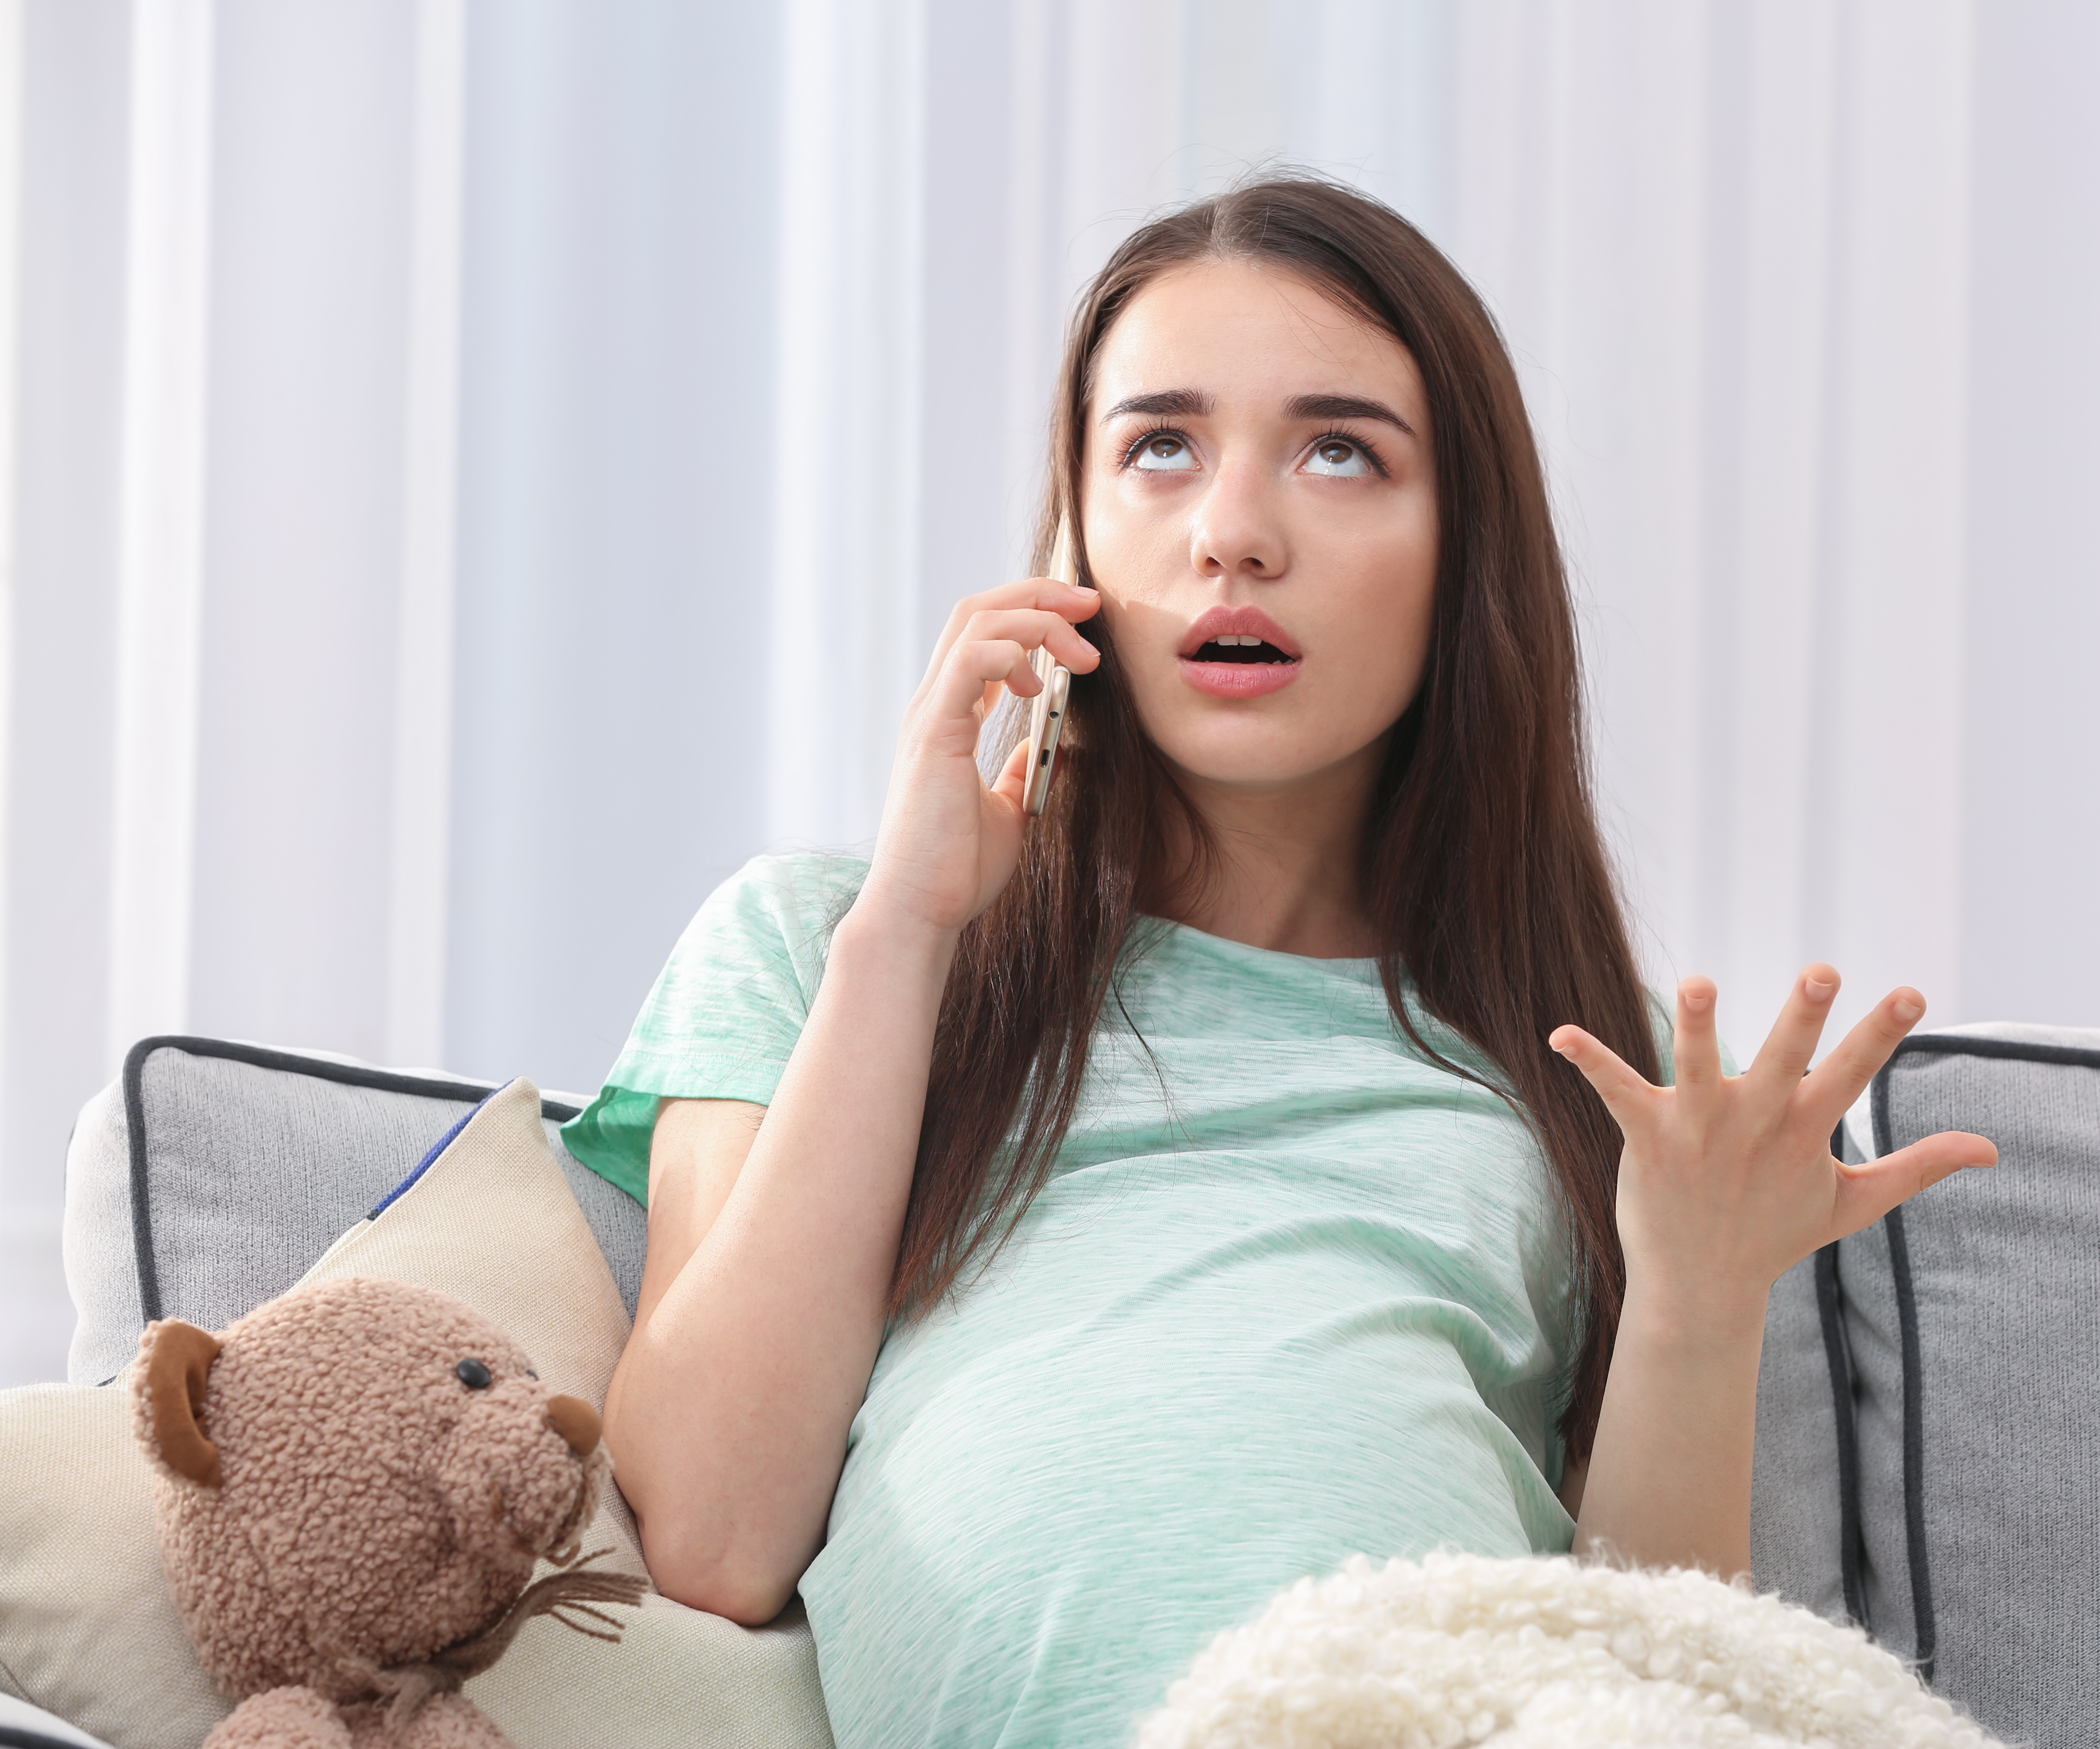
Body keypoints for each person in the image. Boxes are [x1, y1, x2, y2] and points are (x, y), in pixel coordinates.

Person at [565, 176, 1996, 1747]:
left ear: (1467, 556)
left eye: (1339, 452)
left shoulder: (1590, 1051)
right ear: (1074, 531)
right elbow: (707, 1533)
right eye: (1159, 446)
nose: (1233, 534)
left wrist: (1701, 1302)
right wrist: (906, 934)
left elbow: (1651, 1667)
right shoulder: (827, 946)